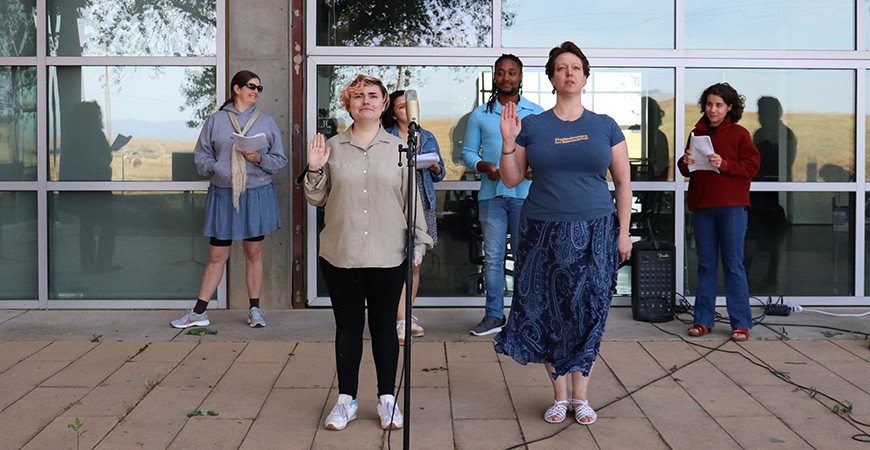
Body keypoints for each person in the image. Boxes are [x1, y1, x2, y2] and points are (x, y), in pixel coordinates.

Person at [494, 41, 633, 426]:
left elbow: (623, 183)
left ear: (585, 77)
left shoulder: (605, 125)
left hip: (596, 231)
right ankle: (559, 397)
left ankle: (582, 397)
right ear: (552, 77)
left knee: (589, 311)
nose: (568, 73)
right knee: (548, 313)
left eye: (575, 67)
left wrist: (624, 233)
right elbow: (511, 178)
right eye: (560, 68)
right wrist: (508, 143)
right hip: (542, 233)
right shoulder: (534, 126)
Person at [304, 74, 433, 431]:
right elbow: (316, 197)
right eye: (358, 95)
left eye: (373, 95)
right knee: (347, 329)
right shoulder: (331, 147)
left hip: (388, 253)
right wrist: (314, 169)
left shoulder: (400, 149)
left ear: (384, 104)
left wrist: (418, 241)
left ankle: (387, 400)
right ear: (348, 103)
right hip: (341, 253)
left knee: (384, 329)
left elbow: (412, 200)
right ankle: (346, 400)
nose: (366, 101)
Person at [171, 70, 287, 329]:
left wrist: (259, 159)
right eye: (251, 86)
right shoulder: (217, 120)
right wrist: (218, 169)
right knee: (216, 256)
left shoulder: (266, 122)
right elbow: (201, 156)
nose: (256, 91)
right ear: (236, 88)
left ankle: (255, 310)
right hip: (224, 194)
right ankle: (199, 312)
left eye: (259, 87)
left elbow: (279, 159)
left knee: (253, 253)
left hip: (256, 194)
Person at [462, 54, 544, 336]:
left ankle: (523, 317)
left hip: (526, 197)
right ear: (494, 77)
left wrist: (536, 166)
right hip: (491, 196)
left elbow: (543, 152)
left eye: (512, 73)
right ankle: (494, 316)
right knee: (493, 258)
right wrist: (482, 165)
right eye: (500, 73)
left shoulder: (536, 113)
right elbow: (468, 153)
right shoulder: (480, 115)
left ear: (521, 77)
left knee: (526, 257)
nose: (506, 78)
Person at [678, 82, 760, 341]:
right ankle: (703, 320)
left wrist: (724, 164)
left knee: (733, 265)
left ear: (729, 108)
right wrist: (685, 162)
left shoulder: (739, 134)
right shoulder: (696, 132)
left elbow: (752, 166)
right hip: (703, 206)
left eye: (719, 105)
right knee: (705, 264)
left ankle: (741, 323)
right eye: (710, 104)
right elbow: (685, 169)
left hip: (731, 206)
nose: (713, 110)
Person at [382, 90, 445, 343]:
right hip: (394, 204)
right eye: (400, 108)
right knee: (394, 261)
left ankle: (404, 316)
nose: (406, 112)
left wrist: (436, 167)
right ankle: (398, 319)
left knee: (415, 262)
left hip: (422, 203)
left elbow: (439, 174)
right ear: (393, 112)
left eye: (409, 107)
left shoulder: (427, 136)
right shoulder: (384, 136)